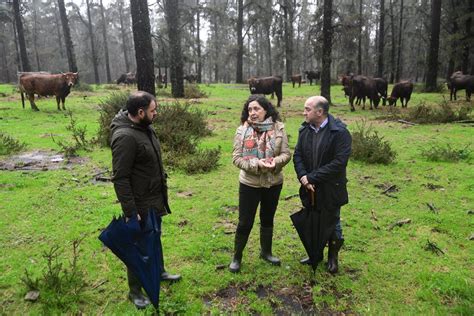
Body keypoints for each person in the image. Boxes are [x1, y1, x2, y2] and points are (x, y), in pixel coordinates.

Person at [110, 91, 181, 309]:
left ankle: (158, 272)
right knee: (139, 246)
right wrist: (131, 211)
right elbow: (120, 178)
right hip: (139, 204)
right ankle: (135, 292)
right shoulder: (125, 137)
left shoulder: (143, 127)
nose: (156, 113)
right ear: (140, 112)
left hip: (154, 198)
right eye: (153, 110)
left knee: (154, 237)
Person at [229, 94, 291, 273]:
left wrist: (275, 162)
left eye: (256, 109)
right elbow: (236, 158)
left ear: (266, 110)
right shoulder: (242, 130)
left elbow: (286, 154)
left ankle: (266, 252)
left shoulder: (279, 128)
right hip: (250, 183)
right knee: (245, 221)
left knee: (267, 218)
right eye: (249, 109)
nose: (252, 113)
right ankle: (237, 256)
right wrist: (257, 164)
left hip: (273, 181)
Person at [293, 96, 352, 274]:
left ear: (320, 112)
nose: (304, 112)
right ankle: (315, 254)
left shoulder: (340, 132)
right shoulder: (304, 131)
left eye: (307, 109)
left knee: (332, 221)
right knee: (312, 220)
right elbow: (298, 156)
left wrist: (312, 178)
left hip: (330, 188)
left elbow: (339, 163)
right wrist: (303, 177)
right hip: (309, 187)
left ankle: (332, 258)